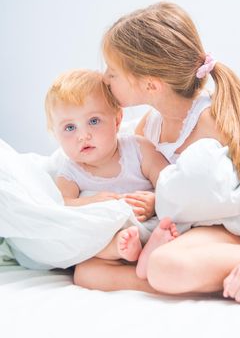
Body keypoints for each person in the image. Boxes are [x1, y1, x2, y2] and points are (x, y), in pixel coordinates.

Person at [74, 2, 240, 306]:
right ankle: (162, 274)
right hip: (210, 219)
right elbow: (151, 183)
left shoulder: (211, 119)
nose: (105, 79)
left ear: (150, 84)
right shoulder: (150, 125)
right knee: (87, 272)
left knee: (166, 266)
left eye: (113, 73)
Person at [45, 69, 178, 266]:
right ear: (55, 134)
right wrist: (92, 201)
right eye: (70, 128)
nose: (83, 136)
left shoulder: (139, 149)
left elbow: (172, 185)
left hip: (146, 226)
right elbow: (62, 205)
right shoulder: (70, 171)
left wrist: (155, 201)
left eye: (94, 121)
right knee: (86, 266)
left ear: (116, 120)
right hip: (107, 242)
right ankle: (120, 248)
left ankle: (151, 248)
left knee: (167, 226)